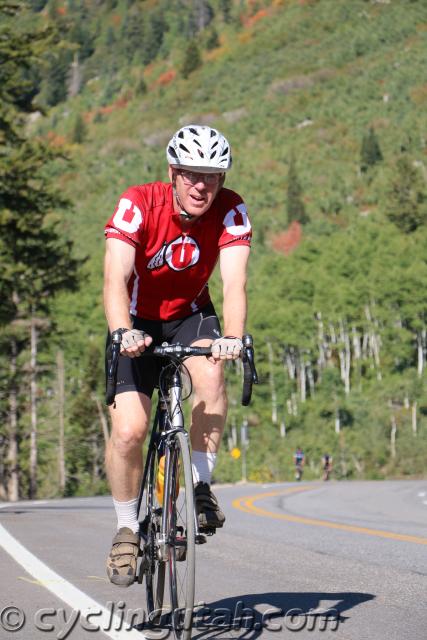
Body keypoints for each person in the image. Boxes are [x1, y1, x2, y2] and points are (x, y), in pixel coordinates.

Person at [103, 124, 252, 586]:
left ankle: (201, 486)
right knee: (130, 430)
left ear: (222, 179)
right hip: (135, 320)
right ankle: (127, 528)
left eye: (212, 176)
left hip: (191, 315)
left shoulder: (231, 209)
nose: (201, 186)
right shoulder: (138, 203)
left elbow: (234, 283)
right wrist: (122, 331)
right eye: (191, 174)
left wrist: (233, 337)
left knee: (212, 376)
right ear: (173, 172)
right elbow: (114, 277)